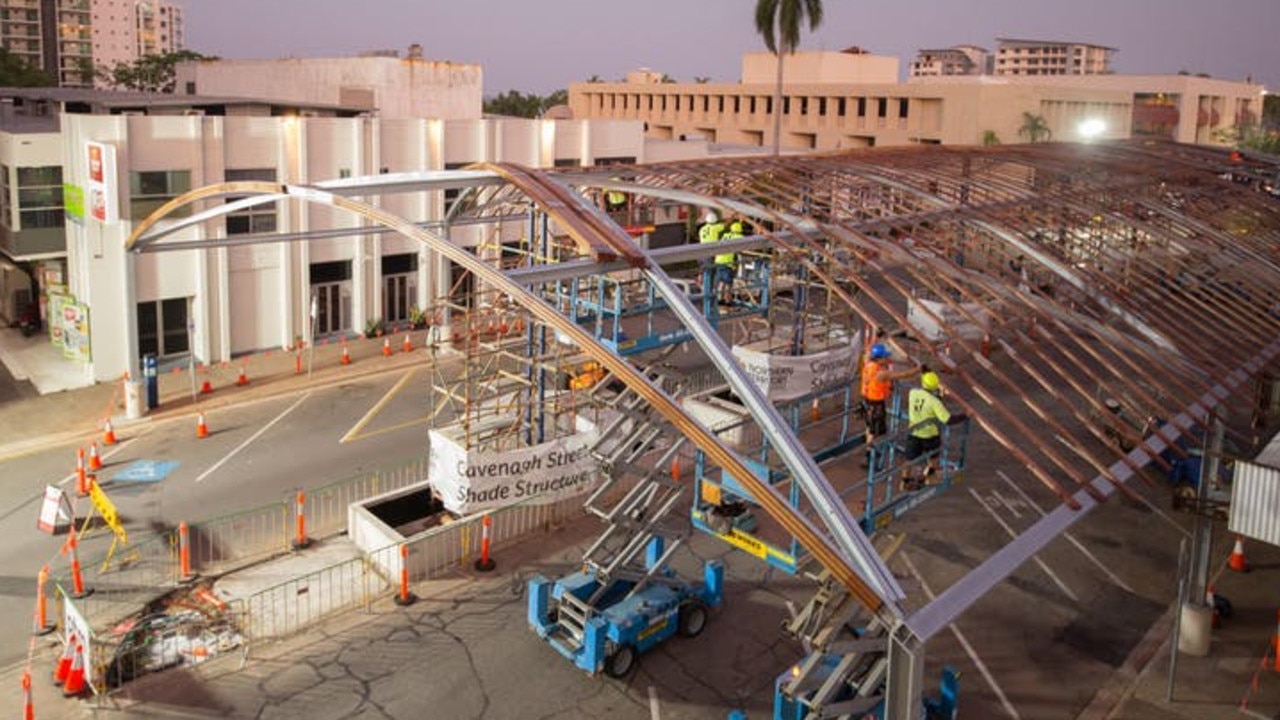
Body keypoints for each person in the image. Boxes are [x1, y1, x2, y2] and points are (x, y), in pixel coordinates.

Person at [859, 341, 920, 466]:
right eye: (885, 357)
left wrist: (906, 361)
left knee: (869, 427)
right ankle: (869, 454)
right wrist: (918, 369)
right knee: (874, 431)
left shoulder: (868, 363)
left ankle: (869, 449)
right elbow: (904, 374)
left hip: (866, 401)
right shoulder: (881, 374)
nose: (887, 359)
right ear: (880, 358)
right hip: (876, 404)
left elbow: (871, 353)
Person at [902, 370, 953, 491]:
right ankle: (924, 479)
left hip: (914, 433)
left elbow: (924, 400)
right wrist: (966, 415)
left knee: (909, 460)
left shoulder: (913, 393)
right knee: (933, 459)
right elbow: (948, 419)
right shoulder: (934, 401)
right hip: (930, 435)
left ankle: (904, 482)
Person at [698, 212, 730, 304]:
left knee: (704, 272)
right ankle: (708, 297)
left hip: (701, 253)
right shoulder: (715, 228)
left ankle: (702, 289)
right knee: (711, 275)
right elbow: (725, 225)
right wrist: (732, 217)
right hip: (710, 254)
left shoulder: (702, 229)